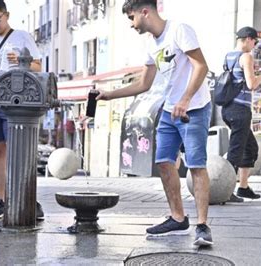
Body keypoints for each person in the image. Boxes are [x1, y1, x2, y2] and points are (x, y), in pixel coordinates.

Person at [96, 0, 213, 246]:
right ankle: (178, 218)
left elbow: (201, 66)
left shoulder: (179, 30)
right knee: (163, 162)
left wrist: (186, 98)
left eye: (131, 18)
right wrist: (109, 94)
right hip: (171, 109)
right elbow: (144, 84)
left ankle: (202, 226)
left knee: (196, 164)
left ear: (145, 12)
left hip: (194, 108)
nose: (130, 24)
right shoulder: (150, 43)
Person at [0, 0, 44, 220]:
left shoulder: (22, 37)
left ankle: (26, 198)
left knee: (19, 152)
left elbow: (38, 67)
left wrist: (22, 61)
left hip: (16, 102)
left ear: (6, 15)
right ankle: (1, 200)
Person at [222, 27, 261, 201]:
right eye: (255, 41)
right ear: (248, 39)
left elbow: (239, 80)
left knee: (250, 148)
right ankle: (225, 190)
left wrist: (254, 74)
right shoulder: (246, 57)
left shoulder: (228, 56)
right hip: (240, 110)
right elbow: (251, 85)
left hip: (227, 109)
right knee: (236, 151)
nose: (254, 45)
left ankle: (243, 187)